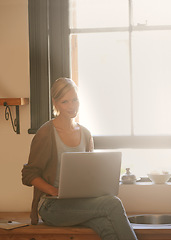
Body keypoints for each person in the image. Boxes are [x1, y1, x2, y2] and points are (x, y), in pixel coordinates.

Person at [22, 77, 138, 240]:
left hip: (79, 203)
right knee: (112, 203)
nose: (72, 106)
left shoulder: (85, 133)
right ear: (55, 103)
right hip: (51, 206)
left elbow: (88, 173)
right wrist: (55, 191)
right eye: (65, 102)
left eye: (75, 100)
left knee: (106, 226)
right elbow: (28, 175)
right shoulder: (46, 133)